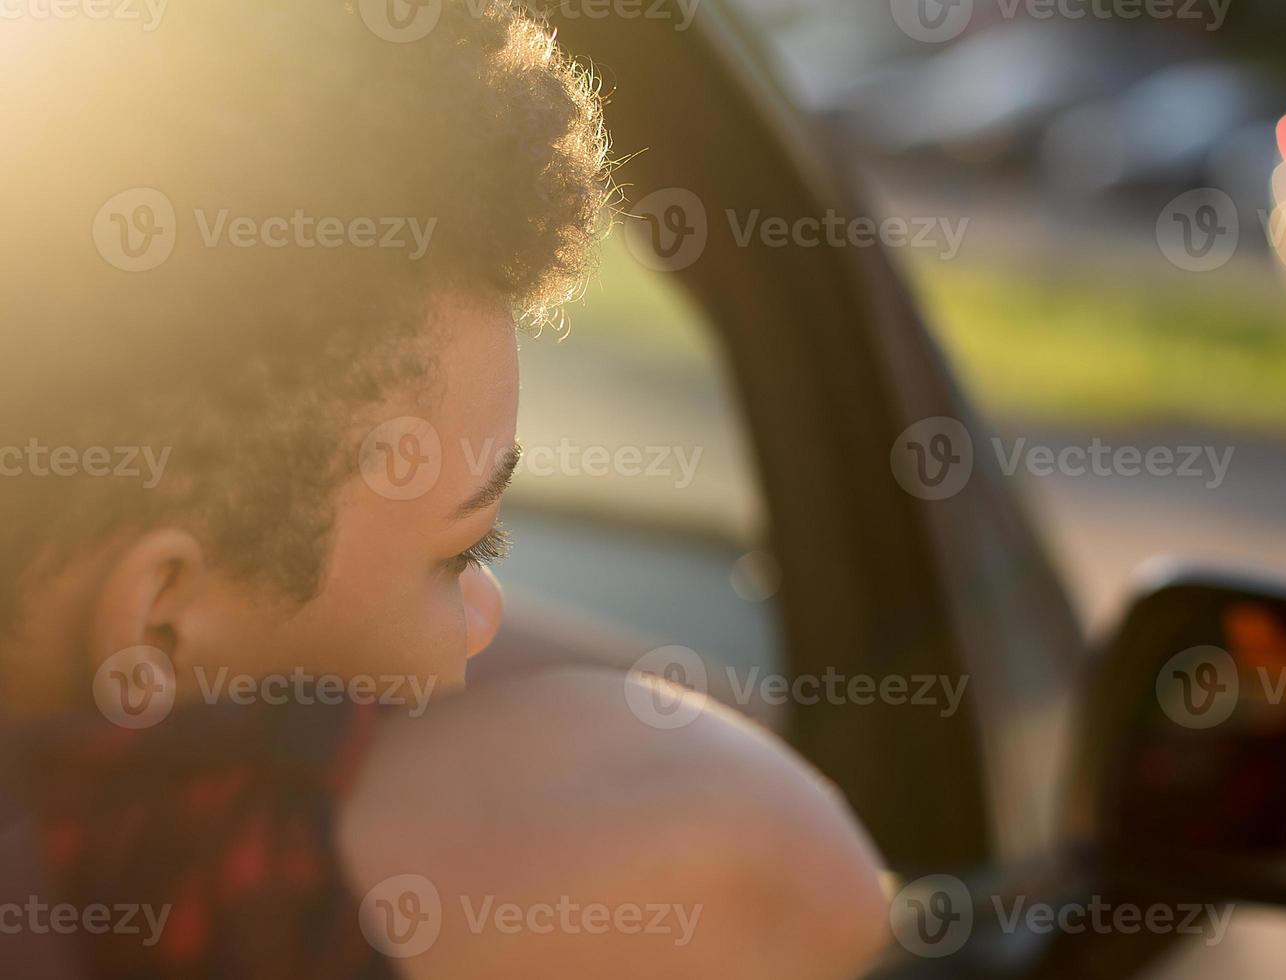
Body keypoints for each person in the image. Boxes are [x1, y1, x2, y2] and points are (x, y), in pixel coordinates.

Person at [0, 3, 890, 978]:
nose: (486, 617)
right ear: (160, 624)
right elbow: (776, 857)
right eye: (461, 554)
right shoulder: (175, 906)